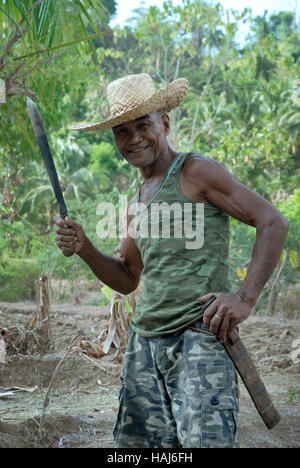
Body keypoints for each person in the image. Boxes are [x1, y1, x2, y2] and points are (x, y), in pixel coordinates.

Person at [55, 73, 289, 448]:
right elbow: (129, 277)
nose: (133, 139)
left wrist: (244, 299)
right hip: (144, 346)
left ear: (165, 123)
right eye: (122, 131)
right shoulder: (137, 201)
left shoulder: (195, 171)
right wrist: (84, 248)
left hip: (197, 338)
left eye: (143, 125)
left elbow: (273, 221)